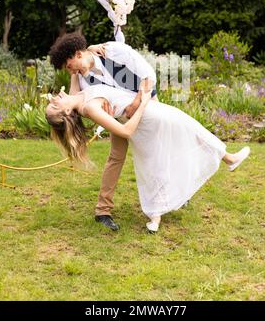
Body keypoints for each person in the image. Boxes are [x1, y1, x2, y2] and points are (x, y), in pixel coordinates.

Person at [46, 68, 250, 233]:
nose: (53, 99)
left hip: (145, 112)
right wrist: (144, 103)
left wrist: (88, 51)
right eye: (53, 105)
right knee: (183, 136)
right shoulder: (89, 108)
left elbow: (75, 65)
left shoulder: (75, 96)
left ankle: (158, 211)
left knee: (168, 148)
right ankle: (227, 159)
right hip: (146, 116)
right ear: (65, 112)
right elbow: (126, 131)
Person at [48, 33, 158, 231]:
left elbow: (142, 73)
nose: (68, 69)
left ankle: (170, 196)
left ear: (76, 54)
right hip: (119, 116)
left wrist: (137, 102)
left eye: (67, 64)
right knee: (116, 157)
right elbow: (75, 105)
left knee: (157, 151)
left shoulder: (107, 53)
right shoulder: (80, 81)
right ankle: (103, 211)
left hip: (144, 100)